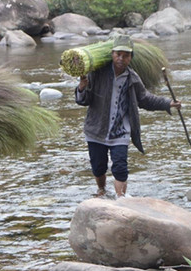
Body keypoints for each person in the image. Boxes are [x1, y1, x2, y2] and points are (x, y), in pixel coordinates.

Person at [75, 35, 180, 198]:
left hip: (120, 131)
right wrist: (81, 88)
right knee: (98, 166)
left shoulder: (132, 78)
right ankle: (101, 190)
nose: (121, 58)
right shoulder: (97, 73)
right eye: (118, 54)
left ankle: (121, 199)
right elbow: (84, 101)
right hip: (96, 130)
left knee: (120, 168)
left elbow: (145, 99)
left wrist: (168, 103)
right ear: (112, 54)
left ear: (130, 58)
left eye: (125, 55)